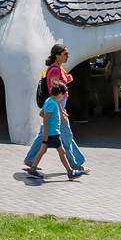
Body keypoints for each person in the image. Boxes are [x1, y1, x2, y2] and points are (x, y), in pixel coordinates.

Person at [23, 44, 88, 173]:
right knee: (66, 135)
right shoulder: (55, 70)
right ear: (57, 55)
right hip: (58, 106)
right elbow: (55, 92)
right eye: (65, 54)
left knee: (46, 134)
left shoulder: (58, 69)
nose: (68, 56)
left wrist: (66, 81)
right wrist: (61, 111)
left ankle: (30, 159)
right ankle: (75, 164)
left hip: (58, 105)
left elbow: (58, 88)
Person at [26, 82, 85, 179]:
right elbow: (45, 117)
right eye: (62, 95)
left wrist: (54, 117)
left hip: (50, 132)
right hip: (53, 132)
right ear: (59, 94)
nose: (62, 98)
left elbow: (41, 113)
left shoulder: (48, 101)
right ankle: (70, 172)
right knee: (61, 152)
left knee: (42, 150)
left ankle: (32, 170)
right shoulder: (53, 104)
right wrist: (46, 132)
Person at [107, 48, 121, 113]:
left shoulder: (113, 53)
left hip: (115, 72)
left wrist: (108, 73)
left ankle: (116, 108)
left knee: (115, 91)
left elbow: (111, 64)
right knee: (118, 90)